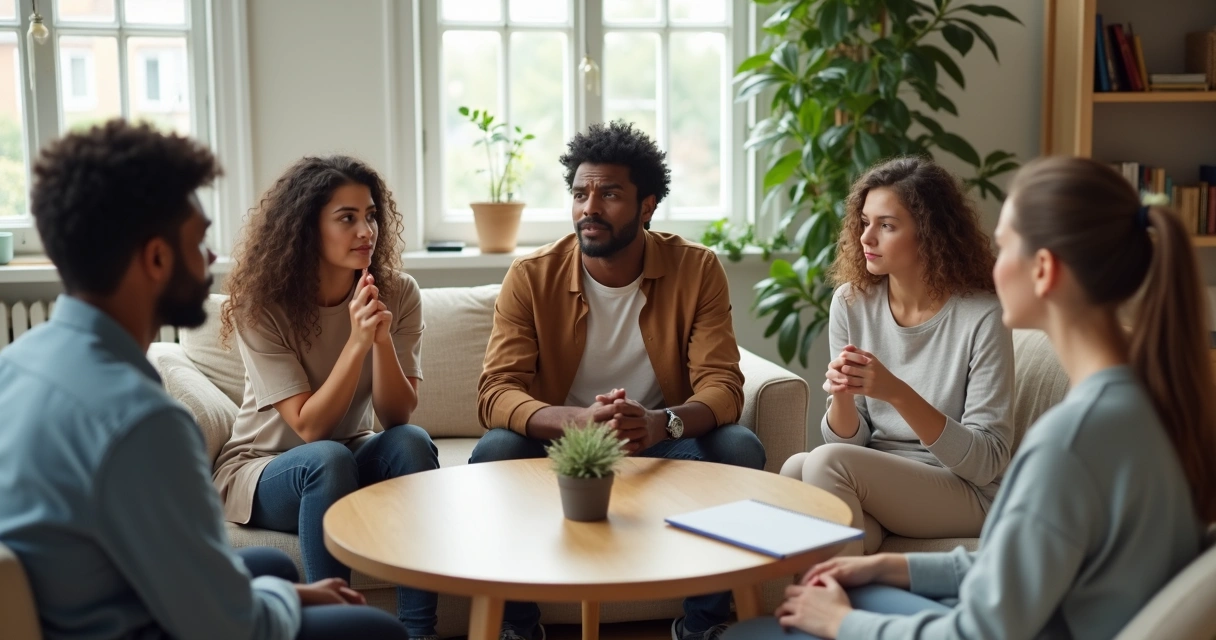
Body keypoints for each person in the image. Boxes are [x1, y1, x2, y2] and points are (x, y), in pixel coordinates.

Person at [725, 156, 1215, 639]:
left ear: (1042, 269)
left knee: (756, 633)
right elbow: (1017, 566)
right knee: (813, 520)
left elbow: (982, 628)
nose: (992, 265)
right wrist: (889, 569)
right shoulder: (1145, 408)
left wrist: (841, 621)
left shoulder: (1068, 443)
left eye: (1004, 248)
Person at [0, 120, 407, 639]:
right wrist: (295, 605)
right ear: (156, 259)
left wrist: (292, 591)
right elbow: (224, 625)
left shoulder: (17, 363)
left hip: (93, 598)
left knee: (275, 570)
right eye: (198, 242)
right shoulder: (142, 421)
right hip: (138, 625)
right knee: (376, 631)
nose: (212, 258)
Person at [471, 121, 765, 640]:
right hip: (561, 448)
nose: (590, 208)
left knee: (739, 448)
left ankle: (700, 626)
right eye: (581, 193)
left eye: (609, 194)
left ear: (647, 206)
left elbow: (723, 385)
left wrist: (661, 423)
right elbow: (496, 391)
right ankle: (519, 627)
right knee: (494, 451)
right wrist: (575, 421)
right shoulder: (531, 275)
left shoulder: (696, 269)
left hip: (657, 446)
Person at [215, 156, 440, 639]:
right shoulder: (263, 305)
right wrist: (357, 341)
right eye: (347, 217)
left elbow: (396, 414)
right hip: (264, 468)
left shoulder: (398, 293)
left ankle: (421, 633)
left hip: (347, 454)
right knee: (326, 457)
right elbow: (310, 427)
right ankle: (333, 628)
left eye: (372, 215)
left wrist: (380, 340)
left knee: (412, 442)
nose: (367, 230)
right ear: (306, 228)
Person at [780, 157, 1015, 555]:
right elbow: (854, 439)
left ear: (929, 233)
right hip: (881, 482)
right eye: (864, 222)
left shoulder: (983, 315)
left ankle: (837, 607)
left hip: (964, 489)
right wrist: (841, 393)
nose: (866, 238)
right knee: (796, 469)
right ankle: (855, 571)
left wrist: (896, 392)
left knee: (822, 464)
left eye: (886, 225)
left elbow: (986, 462)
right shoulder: (852, 302)